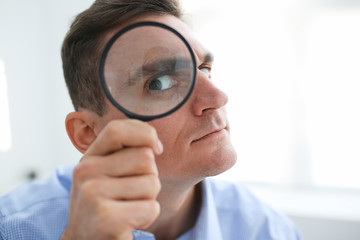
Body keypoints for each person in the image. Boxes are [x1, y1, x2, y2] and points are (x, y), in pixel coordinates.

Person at [0, 0, 302, 239]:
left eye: (205, 70)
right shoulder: (11, 229)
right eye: (160, 82)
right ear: (88, 133)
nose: (218, 97)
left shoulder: (268, 230)